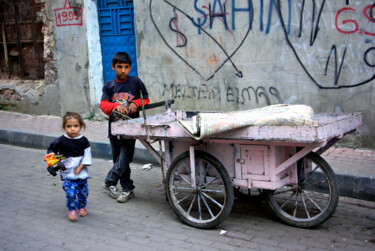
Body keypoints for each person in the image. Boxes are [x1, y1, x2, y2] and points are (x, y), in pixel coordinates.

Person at [100, 52, 150, 203]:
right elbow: (103, 105)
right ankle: (127, 188)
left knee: (125, 158)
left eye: (126, 67)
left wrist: (136, 103)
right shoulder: (109, 86)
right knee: (119, 160)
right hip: (114, 130)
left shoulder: (135, 82)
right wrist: (116, 106)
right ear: (113, 67)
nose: (123, 70)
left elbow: (146, 98)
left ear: (130, 67)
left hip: (130, 129)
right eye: (119, 67)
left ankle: (109, 182)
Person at [46, 112, 92, 222]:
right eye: (69, 126)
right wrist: (52, 160)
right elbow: (51, 150)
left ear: (81, 126)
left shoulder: (83, 140)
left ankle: (81, 207)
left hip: (81, 172)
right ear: (64, 127)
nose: (72, 129)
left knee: (83, 192)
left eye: (76, 126)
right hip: (67, 172)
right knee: (70, 192)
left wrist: (80, 167)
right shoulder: (61, 140)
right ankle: (72, 209)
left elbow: (87, 155)